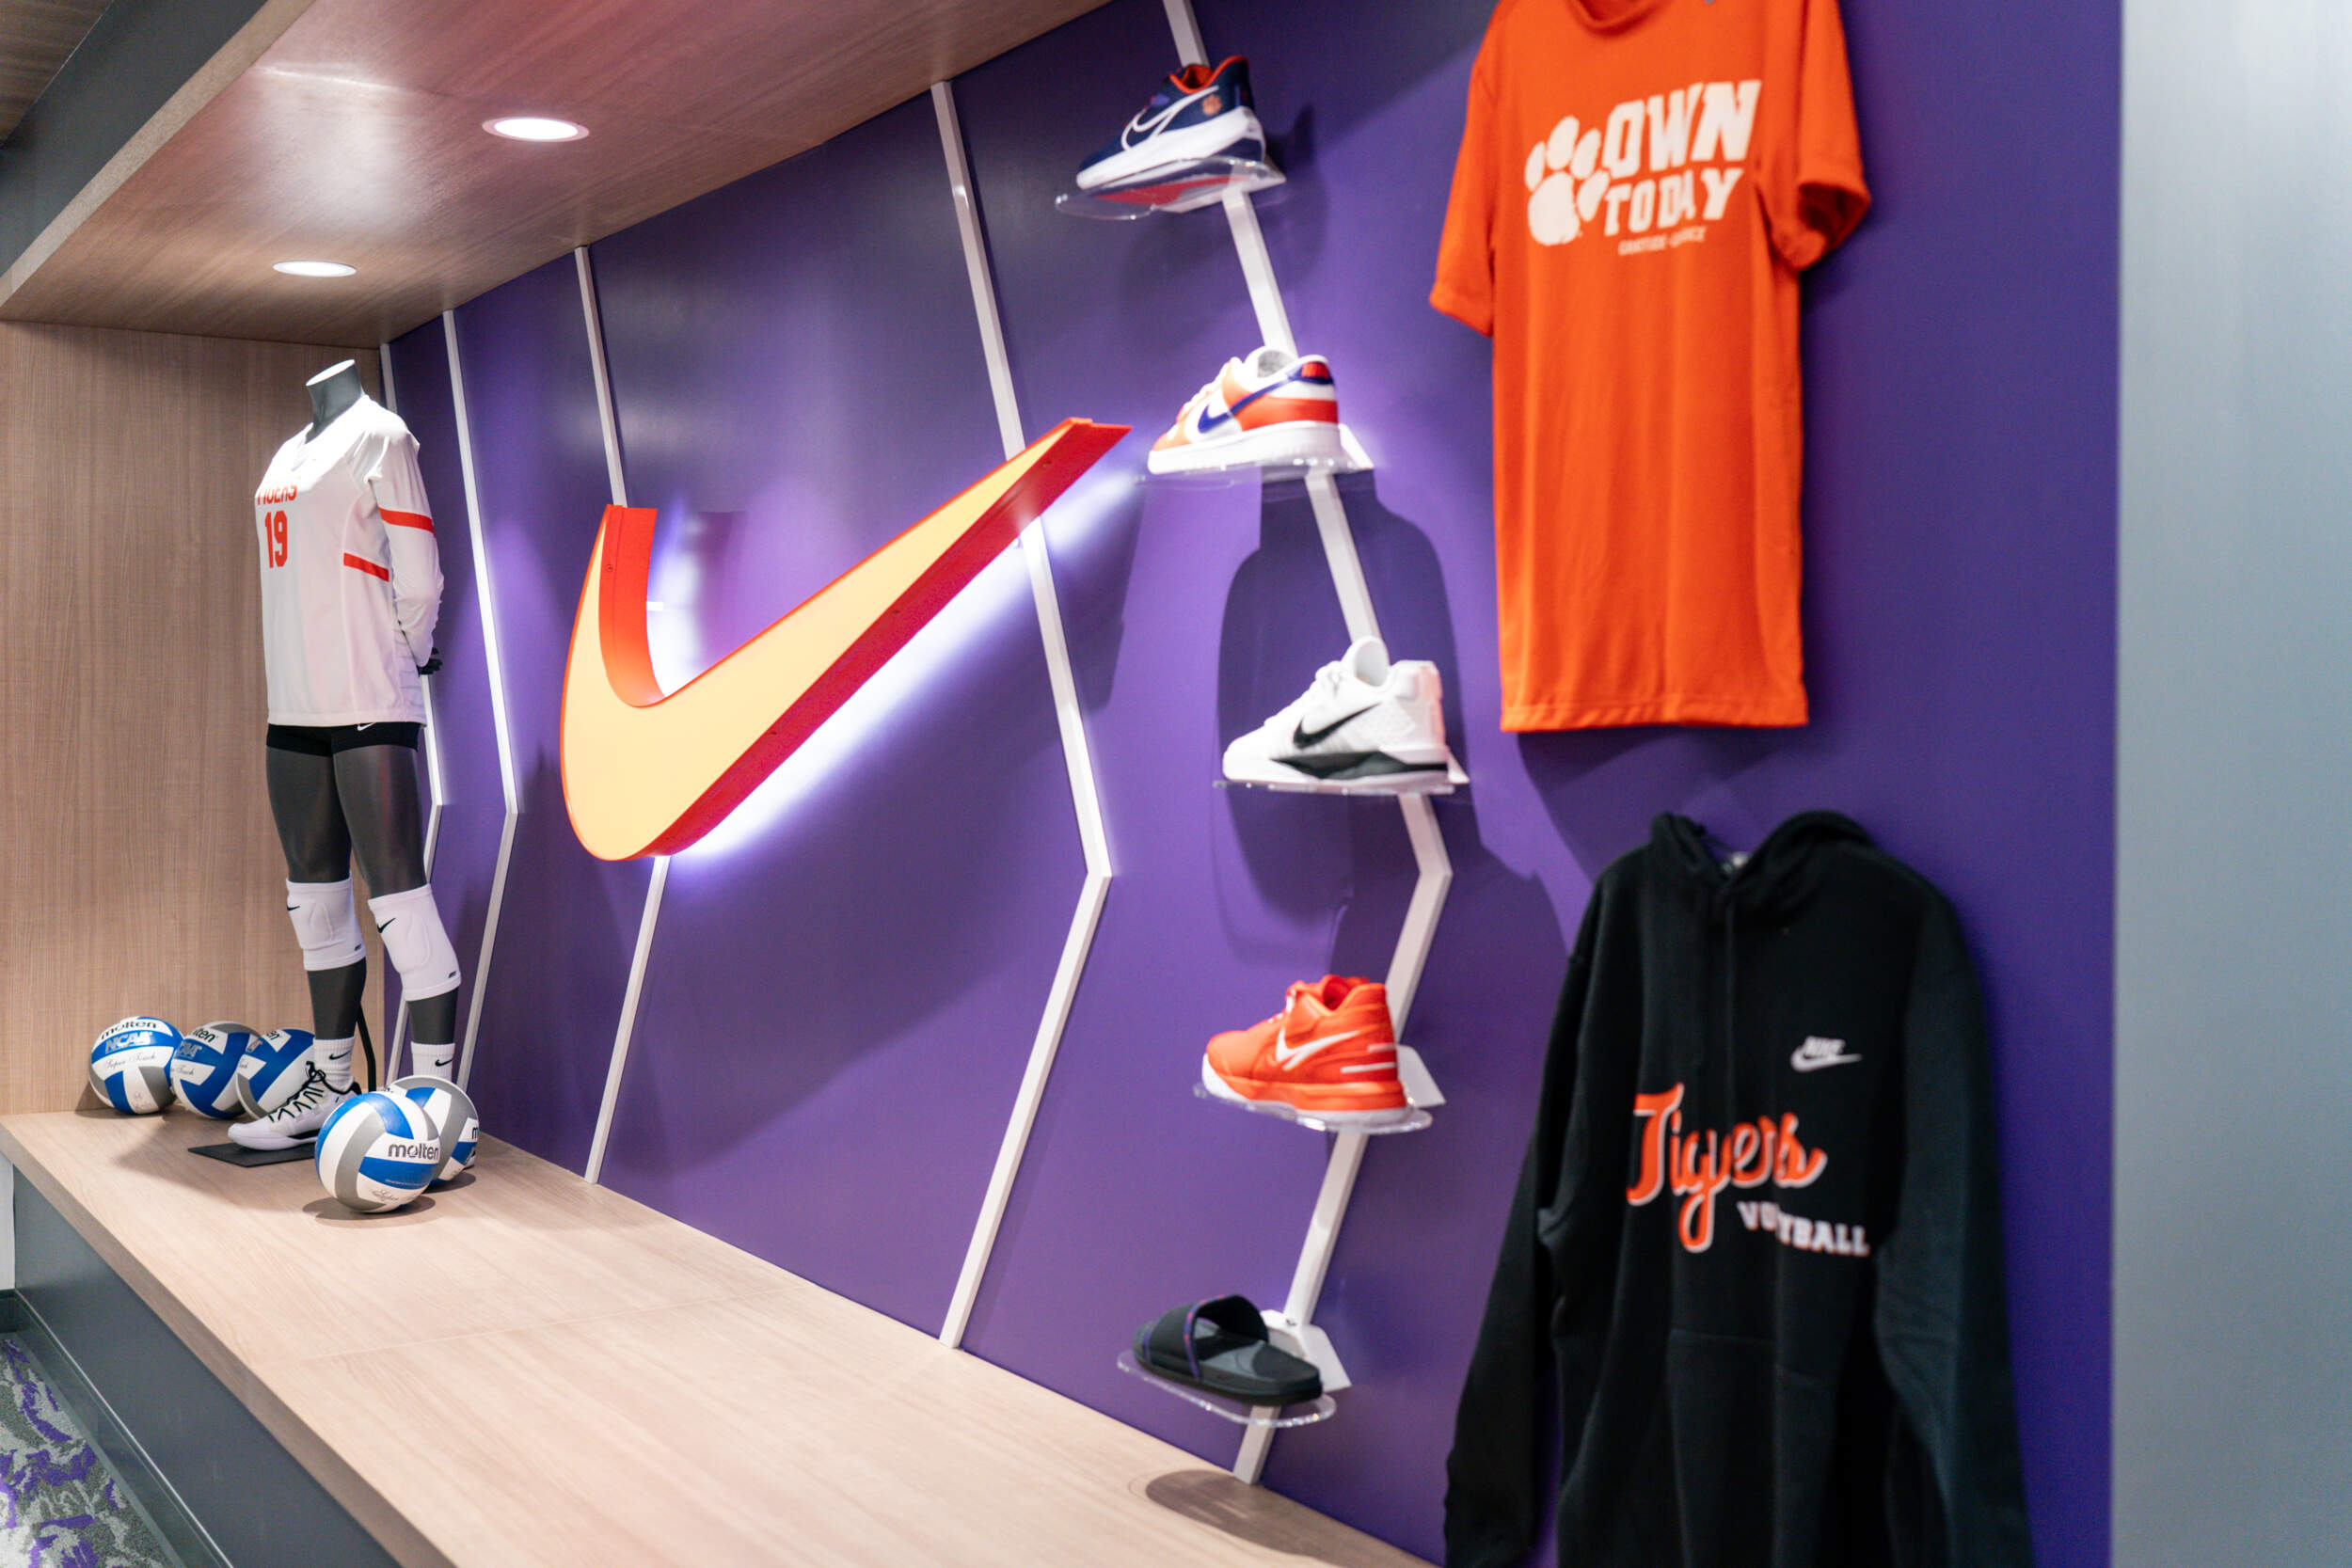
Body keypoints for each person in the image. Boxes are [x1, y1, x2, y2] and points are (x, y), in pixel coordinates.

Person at [233, 359, 463, 1149]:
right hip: (293, 704)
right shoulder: (287, 452)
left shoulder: (383, 436)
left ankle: (436, 1107)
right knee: (315, 900)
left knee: (398, 898)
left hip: (368, 695)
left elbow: (421, 577)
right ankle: (332, 1085)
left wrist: (412, 651)